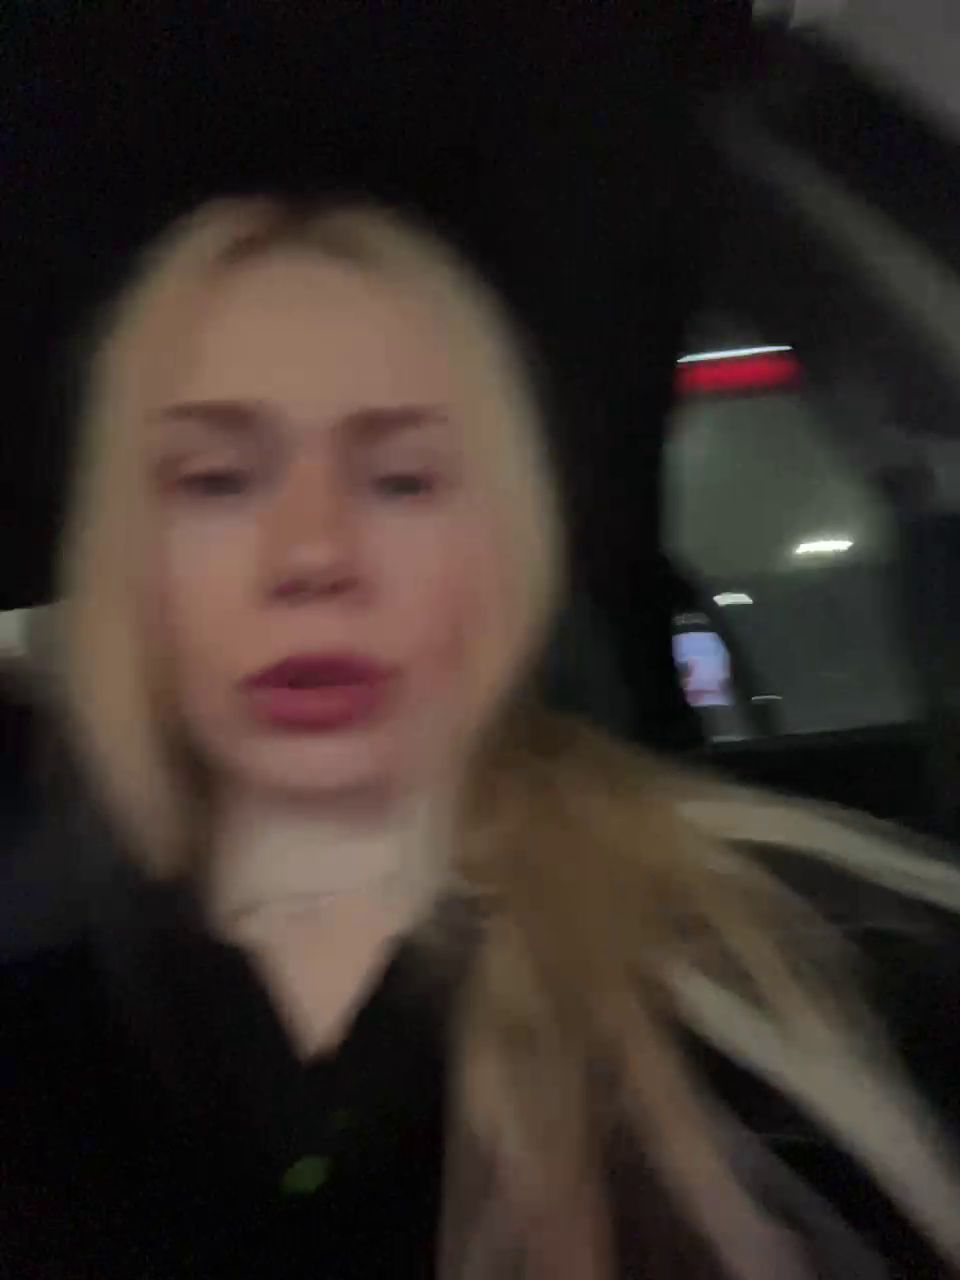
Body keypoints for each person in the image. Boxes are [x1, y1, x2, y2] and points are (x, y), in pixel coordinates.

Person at [3, 198, 960, 1280]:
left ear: (506, 546)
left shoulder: (817, 965)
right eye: (216, 480)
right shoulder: (50, 1052)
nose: (313, 553)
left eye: (403, 479)